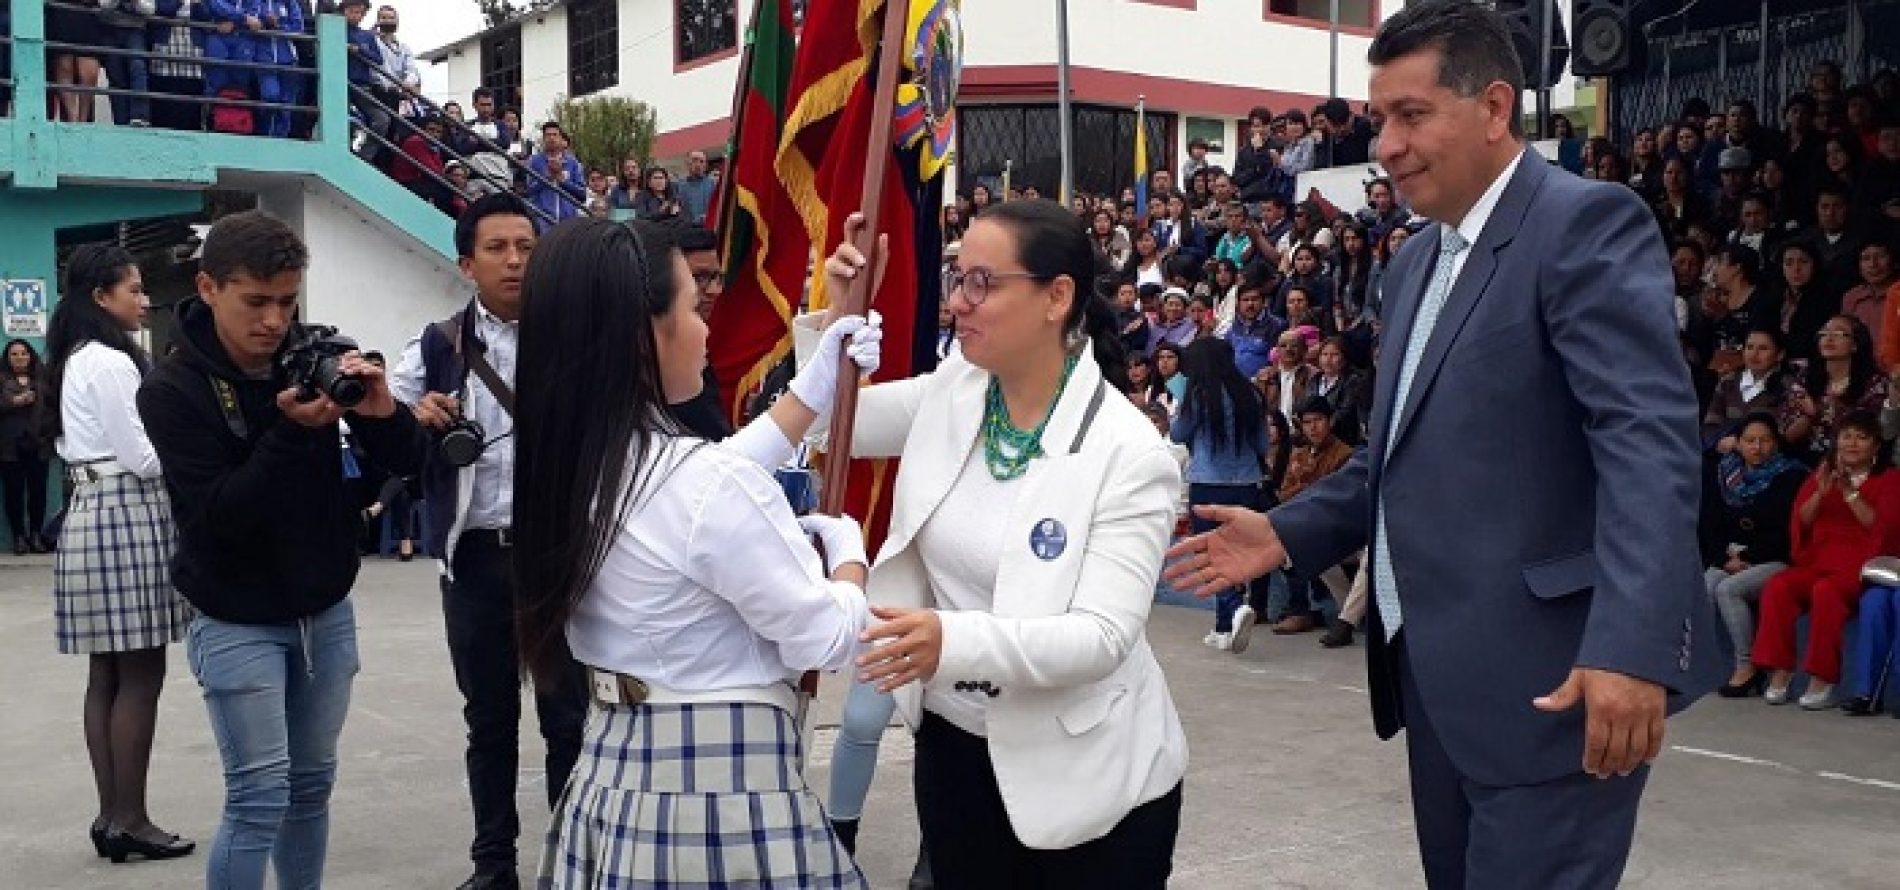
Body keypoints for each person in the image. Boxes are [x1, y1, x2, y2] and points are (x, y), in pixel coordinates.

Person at [1166, 4, 1721, 886]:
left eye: (1412, 115)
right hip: (1439, 680)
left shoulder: (1583, 224)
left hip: (1562, 683)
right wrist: (1288, 532)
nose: (1385, 145)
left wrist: (1631, 645)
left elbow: (1646, 445)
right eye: (1381, 117)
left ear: (1495, 108)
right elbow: (1406, 454)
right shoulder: (1417, 259)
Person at [785, 200, 1187, 886]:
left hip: (1085, 784)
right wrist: (840, 313)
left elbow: (1101, 637)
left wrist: (951, 640)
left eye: (982, 282)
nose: (957, 303)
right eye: (956, 278)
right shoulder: (958, 388)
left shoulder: (1127, 452)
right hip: (953, 750)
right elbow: (827, 426)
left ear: (1057, 297)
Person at [512, 218, 879, 887]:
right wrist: (850, 562)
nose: (706, 327)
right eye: (691, 306)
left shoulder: (574, 463)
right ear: (641, 334)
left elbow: (703, 480)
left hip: (616, 767)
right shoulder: (698, 485)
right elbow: (827, 640)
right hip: (718, 787)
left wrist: (817, 376)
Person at [136, 211, 424, 889]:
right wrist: (292, 433)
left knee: (311, 789)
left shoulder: (309, 359)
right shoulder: (171, 390)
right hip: (235, 617)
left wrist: (383, 413)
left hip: (324, 608)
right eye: (256, 302)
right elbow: (219, 517)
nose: (274, 320)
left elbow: (410, 462)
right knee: (259, 798)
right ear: (208, 287)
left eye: (288, 301)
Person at [388, 195, 583, 890]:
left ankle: (569, 861)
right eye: (498, 249)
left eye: (527, 247)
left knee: (568, 718)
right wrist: (418, 411)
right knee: (490, 722)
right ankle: (492, 865)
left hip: (557, 557)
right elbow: (386, 418)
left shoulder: (575, 334)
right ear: (467, 264)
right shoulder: (439, 344)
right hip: (473, 560)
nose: (515, 261)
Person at [44, 244, 195, 864]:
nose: (144, 299)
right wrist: (190, 452)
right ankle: (131, 817)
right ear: (101, 297)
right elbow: (142, 456)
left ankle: (112, 815)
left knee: (106, 675)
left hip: (90, 510)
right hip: (127, 512)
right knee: (140, 673)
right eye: (133, 290)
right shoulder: (110, 362)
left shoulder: (77, 357)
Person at [1752, 411, 1898, 710]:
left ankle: (1823, 677)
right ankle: (1781, 669)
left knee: (1827, 592)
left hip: (1860, 567)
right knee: (1779, 586)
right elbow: (1801, 522)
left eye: (1861, 437)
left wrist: (1848, 493)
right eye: (1846, 436)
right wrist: (1820, 494)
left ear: (1876, 446)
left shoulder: (1890, 479)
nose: (1852, 443)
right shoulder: (1822, 473)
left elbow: (1882, 528)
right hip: (1819, 560)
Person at [1698, 413, 1804, 697]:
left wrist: (1748, 556)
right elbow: (1710, 523)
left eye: (1765, 440)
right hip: (1729, 555)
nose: (1757, 447)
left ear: (1776, 443)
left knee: (1729, 590)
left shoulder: (1791, 475)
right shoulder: (1724, 472)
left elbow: (1783, 530)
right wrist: (1723, 559)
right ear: (1738, 444)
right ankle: (1710, 666)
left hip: (1773, 558)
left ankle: (1748, 667)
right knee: (1708, 583)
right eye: (1750, 441)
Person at [1173, 338, 1269, 654]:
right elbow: (1263, 444)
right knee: (1235, 549)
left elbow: (1178, 433)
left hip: (1208, 481)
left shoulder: (1199, 395)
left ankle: (1234, 604)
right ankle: (1222, 626)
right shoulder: (1250, 394)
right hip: (1246, 482)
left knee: (1209, 553)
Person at [1, 339, 52, 554]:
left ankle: (36, 534)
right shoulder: (2, 379)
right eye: (14, 354)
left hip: (37, 444)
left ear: (31, 356)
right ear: (7, 358)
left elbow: (52, 405)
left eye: (24, 353)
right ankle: (19, 536)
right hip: (9, 446)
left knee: (38, 492)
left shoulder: (42, 379)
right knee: (14, 493)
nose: (20, 358)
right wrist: (16, 401)